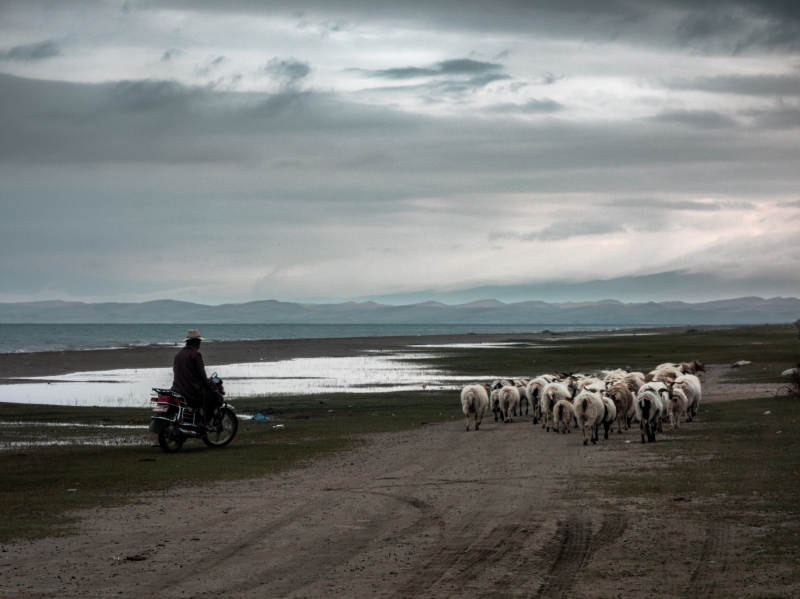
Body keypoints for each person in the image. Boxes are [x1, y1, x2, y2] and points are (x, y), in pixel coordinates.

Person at [171, 329, 222, 427]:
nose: (200, 344)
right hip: (190, 391)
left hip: (177, 388)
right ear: (195, 342)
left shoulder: (178, 355)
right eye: (199, 342)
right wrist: (211, 387)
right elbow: (202, 377)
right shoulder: (195, 355)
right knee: (215, 398)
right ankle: (204, 423)